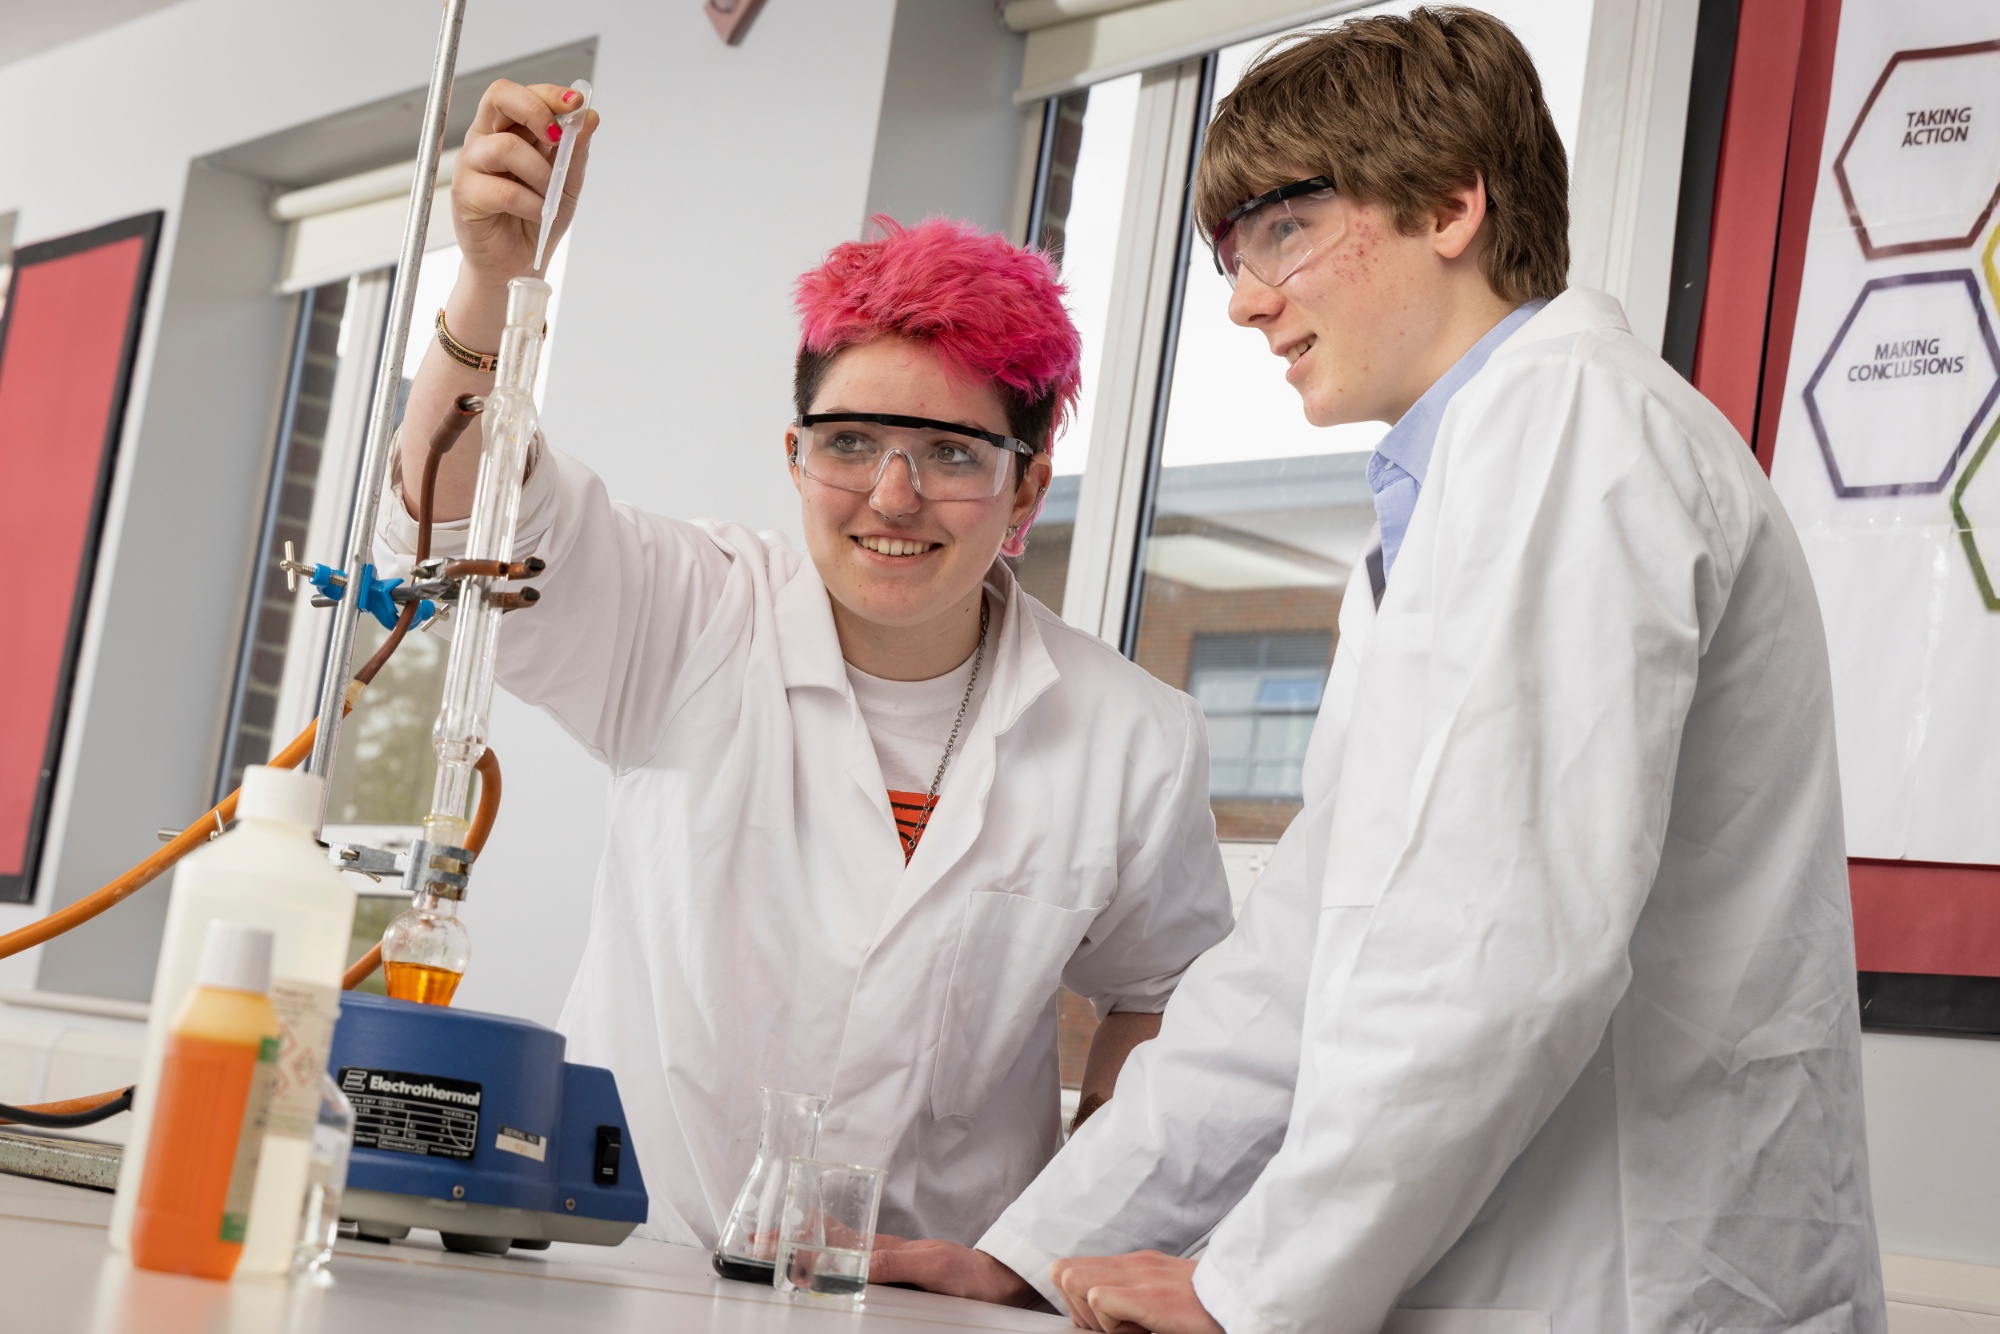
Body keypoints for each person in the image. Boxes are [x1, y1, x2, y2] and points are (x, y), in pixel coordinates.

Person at [871, 9, 1886, 1331]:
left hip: (1628, 1287)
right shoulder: (1455, 486)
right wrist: (1039, 1243)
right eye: (1231, 257)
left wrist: (1257, 1283)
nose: (1242, 299)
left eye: (1280, 232)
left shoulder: (1574, 426)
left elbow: (1500, 938)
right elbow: (1300, 955)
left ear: (1453, 203)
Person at [381, 80, 1234, 1249]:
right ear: (794, 456)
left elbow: (1168, 994)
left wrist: (1063, 1243)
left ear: (1025, 489)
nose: (891, 497)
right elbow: (462, 526)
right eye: (850, 443)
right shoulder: (687, 614)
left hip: (925, 1307)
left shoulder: (1128, 734)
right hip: (631, 1270)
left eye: (949, 451)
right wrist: (490, 282)